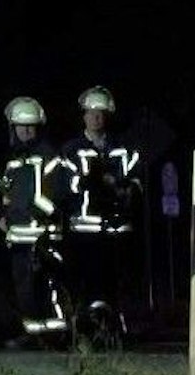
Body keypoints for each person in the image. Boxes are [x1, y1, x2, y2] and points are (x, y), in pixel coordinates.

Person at [59, 85, 141, 334]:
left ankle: (114, 327)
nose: (96, 117)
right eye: (92, 112)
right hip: (84, 230)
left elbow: (135, 182)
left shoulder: (122, 148)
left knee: (114, 282)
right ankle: (85, 328)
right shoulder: (71, 149)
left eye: (101, 113)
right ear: (84, 116)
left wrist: (124, 190)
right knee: (85, 282)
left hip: (116, 229)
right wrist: (95, 181)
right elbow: (67, 186)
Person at [0, 96, 71, 347]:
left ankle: (58, 335)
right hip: (18, 238)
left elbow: (57, 195)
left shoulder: (50, 157)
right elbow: (8, 196)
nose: (26, 131)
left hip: (44, 236)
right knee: (24, 290)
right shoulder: (13, 162)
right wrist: (5, 217)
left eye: (30, 126)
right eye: (21, 126)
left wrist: (39, 218)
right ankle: (32, 333)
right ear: (13, 128)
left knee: (49, 286)